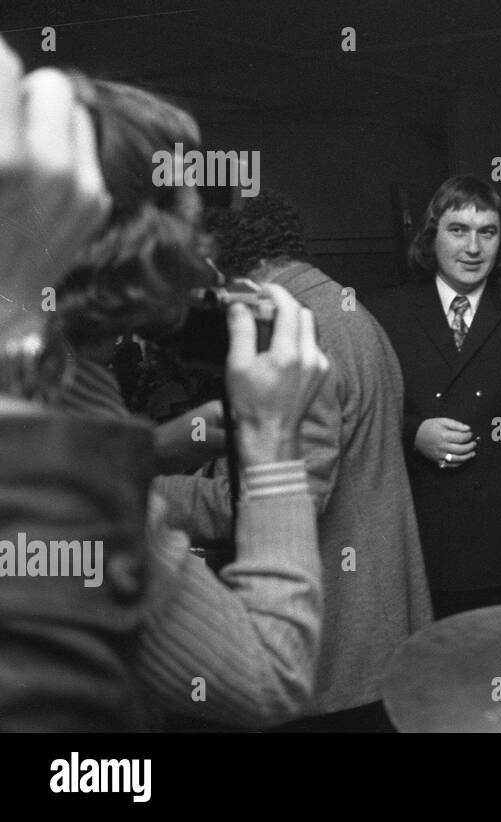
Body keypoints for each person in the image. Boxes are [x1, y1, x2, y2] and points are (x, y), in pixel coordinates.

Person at [0, 41, 330, 728]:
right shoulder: (63, 445)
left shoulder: (72, 376)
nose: (205, 243)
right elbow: (266, 675)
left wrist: (149, 451)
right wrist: (271, 442)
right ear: (141, 239)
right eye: (190, 208)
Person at [155, 193, 433, 731]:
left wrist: (156, 492)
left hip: (332, 637)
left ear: (236, 274)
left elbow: (285, 496)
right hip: (378, 622)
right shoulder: (349, 311)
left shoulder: (292, 335)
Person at [369, 175, 501, 618]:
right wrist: (414, 434)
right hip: (419, 535)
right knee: (426, 673)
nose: (473, 247)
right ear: (431, 235)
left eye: (488, 232)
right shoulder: (390, 314)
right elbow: (361, 415)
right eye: (458, 230)